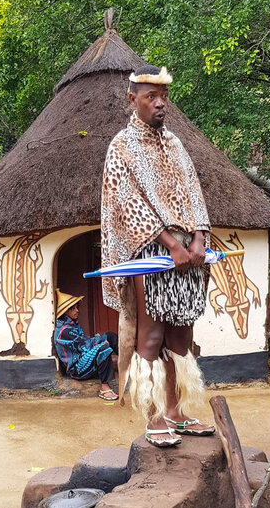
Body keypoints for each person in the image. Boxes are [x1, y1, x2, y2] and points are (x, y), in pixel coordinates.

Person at [101, 64, 216, 447]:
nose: (160, 103)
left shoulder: (176, 145)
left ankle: (176, 412)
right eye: (151, 96)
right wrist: (170, 244)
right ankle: (153, 419)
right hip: (152, 251)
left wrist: (199, 237)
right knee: (150, 336)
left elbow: (194, 191)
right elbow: (126, 203)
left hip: (189, 254)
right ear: (132, 99)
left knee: (181, 335)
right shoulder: (121, 147)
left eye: (163, 96)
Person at [54, 289, 119, 400]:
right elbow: (85, 346)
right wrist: (99, 340)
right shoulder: (64, 331)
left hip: (83, 358)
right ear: (65, 312)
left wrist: (100, 339)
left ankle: (130, 363)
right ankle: (104, 387)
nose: (77, 310)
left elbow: (85, 344)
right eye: (73, 308)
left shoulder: (72, 324)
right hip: (77, 369)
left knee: (110, 336)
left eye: (76, 307)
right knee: (103, 348)